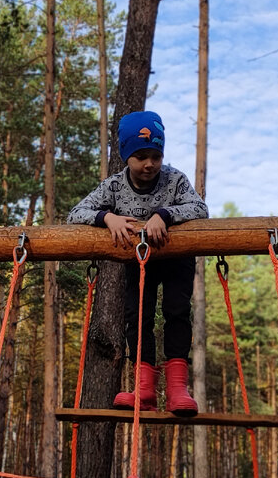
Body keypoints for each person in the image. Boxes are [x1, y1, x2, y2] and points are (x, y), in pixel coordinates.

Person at [67, 110, 208, 415]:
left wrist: (164, 215)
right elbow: (76, 213)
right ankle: (143, 391)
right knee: (138, 318)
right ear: (126, 156)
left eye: (155, 156)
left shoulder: (174, 179)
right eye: (141, 156)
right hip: (140, 261)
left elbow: (199, 208)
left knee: (176, 313)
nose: (149, 164)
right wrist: (108, 217)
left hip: (176, 259)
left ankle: (176, 390)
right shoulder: (115, 186)